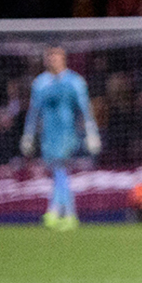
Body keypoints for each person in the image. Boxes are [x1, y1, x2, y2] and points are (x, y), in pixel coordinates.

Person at [21, 46, 101, 230]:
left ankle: (58, 211)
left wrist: (92, 133)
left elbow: (85, 109)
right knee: (58, 172)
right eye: (49, 56)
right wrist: (28, 135)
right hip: (48, 136)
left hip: (67, 135)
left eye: (56, 56)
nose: (52, 60)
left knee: (60, 169)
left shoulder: (75, 81)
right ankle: (66, 214)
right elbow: (34, 112)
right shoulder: (40, 83)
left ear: (63, 58)